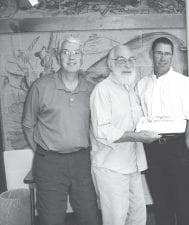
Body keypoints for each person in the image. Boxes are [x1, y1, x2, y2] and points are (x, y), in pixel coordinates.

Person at [22, 37, 100, 225]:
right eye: (66, 52)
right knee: (51, 219)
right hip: (49, 164)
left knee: (90, 217)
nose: (71, 57)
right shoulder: (41, 87)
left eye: (76, 52)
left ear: (83, 57)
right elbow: (27, 124)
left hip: (82, 162)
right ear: (58, 56)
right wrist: (42, 151)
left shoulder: (91, 89)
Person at [90, 45, 161, 225]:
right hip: (111, 168)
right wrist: (138, 137)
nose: (127, 64)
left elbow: (137, 123)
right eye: (121, 60)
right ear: (110, 64)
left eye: (131, 60)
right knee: (116, 220)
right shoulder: (102, 90)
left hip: (133, 165)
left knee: (138, 217)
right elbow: (102, 131)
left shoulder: (132, 90)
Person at [137, 37, 189, 225]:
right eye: (159, 53)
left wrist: (185, 149)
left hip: (177, 147)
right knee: (161, 205)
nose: (163, 58)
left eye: (167, 53)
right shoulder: (142, 85)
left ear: (172, 56)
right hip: (152, 149)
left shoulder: (184, 82)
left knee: (182, 204)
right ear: (151, 54)